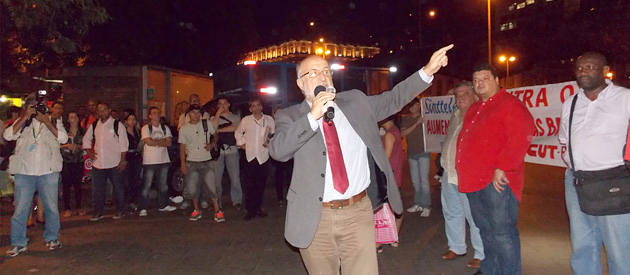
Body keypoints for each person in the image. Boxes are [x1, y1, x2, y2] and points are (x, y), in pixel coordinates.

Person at [269, 44, 452, 274]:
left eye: (326, 70)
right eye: (313, 72)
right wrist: (312, 116)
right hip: (315, 217)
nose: (322, 75)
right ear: (300, 83)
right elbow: (278, 151)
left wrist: (426, 71)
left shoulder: (354, 101)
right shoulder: (290, 116)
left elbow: (393, 99)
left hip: (357, 212)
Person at [456, 63, 535, 275]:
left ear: (497, 81)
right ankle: (490, 270)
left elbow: (523, 134)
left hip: (496, 184)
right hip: (474, 182)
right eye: (476, 80)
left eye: (485, 79)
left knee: (502, 233)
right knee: (486, 231)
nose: (480, 84)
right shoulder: (475, 108)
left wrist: (503, 167)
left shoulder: (508, 104)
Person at [558, 52, 630, 275]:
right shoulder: (571, 103)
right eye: (579, 68)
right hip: (576, 180)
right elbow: (564, 139)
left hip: (613, 181)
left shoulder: (624, 98)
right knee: (582, 245)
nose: (583, 71)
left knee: (619, 248)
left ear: (605, 70)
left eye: (590, 67)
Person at [4, 93, 68, 257]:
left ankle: (52, 238)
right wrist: (25, 117)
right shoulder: (23, 123)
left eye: (39, 106)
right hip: (25, 172)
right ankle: (18, 243)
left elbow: (62, 138)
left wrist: (46, 120)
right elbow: (8, 135)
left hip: (48, 171)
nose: (36, 110)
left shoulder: (53, 121)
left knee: (51, 207)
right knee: (20, 209)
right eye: (32, 107)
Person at [439, 81, 484, 269]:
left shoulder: (480, 115)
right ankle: (456, 247)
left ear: (475, 95)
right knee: (451, 213)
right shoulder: (455, 115)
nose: (460, 98)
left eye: (465, 93)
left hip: (469, 176)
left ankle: (481, 254)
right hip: (449, 173)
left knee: (474, 217)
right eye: (457, 95)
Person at [83, 102, 129, 221]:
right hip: (99, 163)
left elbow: (124, 144)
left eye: (103, 110)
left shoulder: (117, 125)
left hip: (114, 162)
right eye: (99, 111)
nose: (101, 113)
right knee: (98, 189)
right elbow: (86, 140)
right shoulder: (94, 126)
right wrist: (90, 153)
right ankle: (98, 211)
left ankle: (120, 210)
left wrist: (122, 160)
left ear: (109, 110)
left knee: (118, 188)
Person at [178, 104, 223, 222]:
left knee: (211, 186)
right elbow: (182, 147)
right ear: (189, 114)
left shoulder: (206, 123)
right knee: (193, 188)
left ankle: (217, 210)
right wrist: (182, 163)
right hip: (191, 161)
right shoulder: (184, 129)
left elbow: (216, 135)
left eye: (198, 113)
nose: (196, 115)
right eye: (193, 112)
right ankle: (196, 210)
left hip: (206, 160)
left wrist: (212, 144)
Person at [235, 97, 275, 220]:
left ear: (261, 107)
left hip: (263, 155)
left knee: (261, 184)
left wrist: (270, 142)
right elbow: (237, 133)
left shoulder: (269, 120)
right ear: (250, 108)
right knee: (249, 185)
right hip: (250, 156)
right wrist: (242, 144)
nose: (256, 108)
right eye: (253, 106)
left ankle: (258, 208)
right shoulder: (246, 120)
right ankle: (249, 210)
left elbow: (273, 133)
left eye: (258, 105)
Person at [139, 107, 177, 216]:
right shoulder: (146, 128)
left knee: (163, 184)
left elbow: (169, 143)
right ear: (150, 116)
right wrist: (162, 141)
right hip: (150, 161)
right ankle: (143, 207)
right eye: (154, 113)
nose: (156, 115)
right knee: (147, 185)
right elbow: (148, 142)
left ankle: (163, 205)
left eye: (158, 113)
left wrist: (156, 142)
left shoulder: (165, 128)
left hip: (163, 160)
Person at [376, 115, 404, 252]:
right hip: (396, 174)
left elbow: (385, 160)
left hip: (388, 176)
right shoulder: (395, 131)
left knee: (381, 208)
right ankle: (394, 238)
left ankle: (378, 243)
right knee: (395, 206)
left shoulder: (388, 135)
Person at [211, 97, 243, 210]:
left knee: (235, 177)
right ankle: (217, 202)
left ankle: (237, 200)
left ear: (229, 104)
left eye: (224, 103)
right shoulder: (213, 118)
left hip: (232, 150)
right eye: (220, 103)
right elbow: (212, 128)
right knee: (216, 178)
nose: (222, 105)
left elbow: (235, 127)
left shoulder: (235, 117)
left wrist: (219, 130)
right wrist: (217, 114)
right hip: (218, 151)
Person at [402, 97, 432, 217]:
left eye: (415, 105)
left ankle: (426, 205)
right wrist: (417, 123)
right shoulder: (407, 119)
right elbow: (403, 134)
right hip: (411, 153)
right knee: (415, 181)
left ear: (419, 105)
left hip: (424, 152)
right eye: (411, 105)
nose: (413, 107)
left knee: (424, 180)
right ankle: (418, 203)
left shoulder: (425, 116)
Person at [60, 111, 87, 218]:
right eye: (71, 117)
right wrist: (67, 146)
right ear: (68, 119)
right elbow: (57, 144)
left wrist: (78, 146)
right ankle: (67, 208)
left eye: (75, 117)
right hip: (66, 161)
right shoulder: (63, 132)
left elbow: (88, 144)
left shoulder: (83, 131)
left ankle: (78, 207)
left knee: (78, 185)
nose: (73, 119)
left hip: (78, 160)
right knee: (66, 186)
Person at [123, 113, 142, 210]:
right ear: (126, 122)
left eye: (133, 119)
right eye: (130, 119)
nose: (132, 121)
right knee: (127, 180)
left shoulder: (138, 132)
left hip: (136, 157)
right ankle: (128, 200)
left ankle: (135, 200)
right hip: (127, 157)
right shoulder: (123, 133)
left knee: (136, 179)